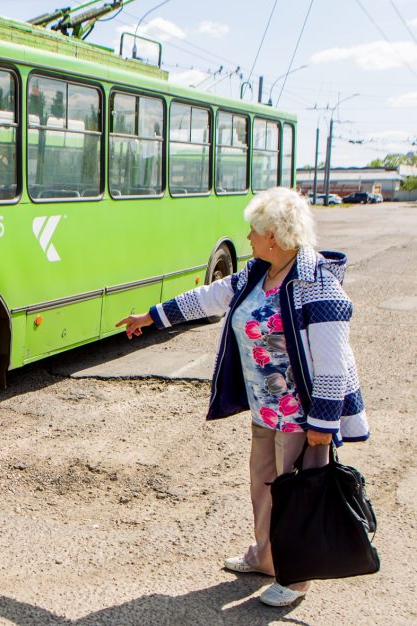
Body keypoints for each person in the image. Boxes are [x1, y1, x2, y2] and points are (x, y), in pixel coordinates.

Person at [117, 186, 369, 607]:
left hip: (303, 419)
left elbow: (332, 363)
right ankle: (267, 557)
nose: (247, 237)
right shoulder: (258, 272)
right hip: (265, 409)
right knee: (265, 487)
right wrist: (151, 316)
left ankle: (297, 576)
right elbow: (208, 298)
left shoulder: (316, 282)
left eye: (254, 230)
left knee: (299, 496)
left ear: (275, 235)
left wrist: (323, 428)